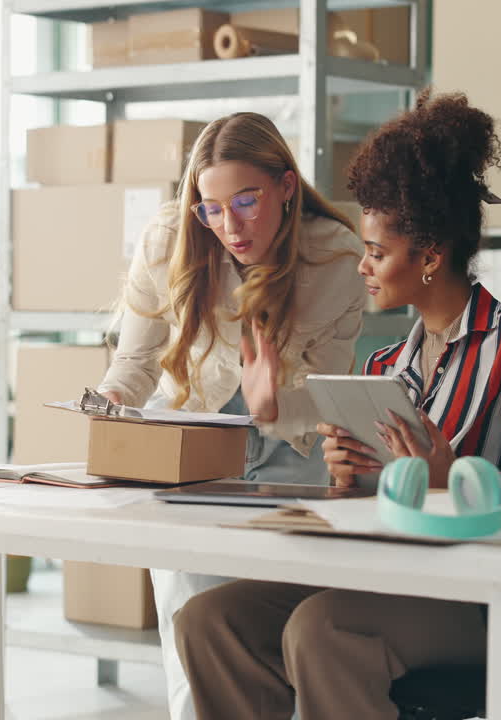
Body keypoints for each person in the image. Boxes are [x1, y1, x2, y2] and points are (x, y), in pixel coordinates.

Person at [173, 90, 501, 720]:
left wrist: (451, 482)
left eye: (378, 253)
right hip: (389, 576)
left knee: (322, 630)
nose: (362, 267)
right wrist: (350, 477)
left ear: (431, 255)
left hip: (483, 597)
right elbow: (378, 501)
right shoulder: (385, 368)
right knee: (210, 619)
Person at [94, 111, 367, 720]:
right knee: (191, 635)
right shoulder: (170, 238)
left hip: (291, 452)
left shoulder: (336, 259)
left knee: (282, 639)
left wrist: (273, 403)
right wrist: (110, 403)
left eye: (245, 201)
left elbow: (323, 404)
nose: (229, 226)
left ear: (286, 186)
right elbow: (136, 362)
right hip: (191, 445)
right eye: (211, 208)